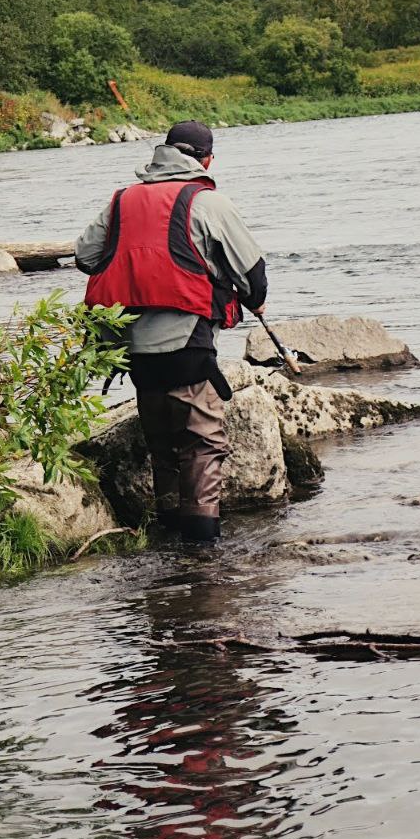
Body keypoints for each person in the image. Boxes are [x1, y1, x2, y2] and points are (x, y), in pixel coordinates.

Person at [75, 120, 267, 543]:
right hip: (189, 350)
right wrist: (255, 299)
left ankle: (166, 543)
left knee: (163, 447)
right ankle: (201, 554)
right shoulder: (209, 202)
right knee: (201, 446)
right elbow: (254, 277)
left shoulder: (121, 201)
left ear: (162, 154)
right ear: (207, 160)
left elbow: (85, 257)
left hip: (134, 354)